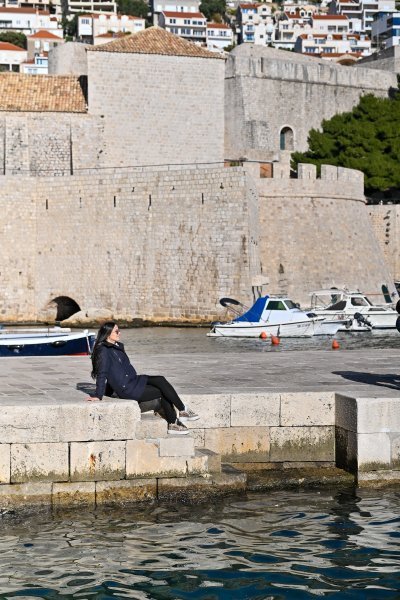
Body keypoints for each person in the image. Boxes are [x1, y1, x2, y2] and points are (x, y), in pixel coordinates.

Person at [87, 321, 199, 435]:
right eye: (116, 331)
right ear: (107, 333)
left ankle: (182, 410)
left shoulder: (116, 347)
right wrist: (98, 395)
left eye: (119, 330)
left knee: (160, 379)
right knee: (162, 391)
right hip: (128, 389)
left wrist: (108, 391)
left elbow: (115, 372)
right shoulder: (103, 350)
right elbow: (103, 372)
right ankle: (174, 422)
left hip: (133, 381)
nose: (119, 333)